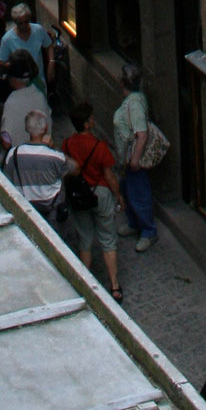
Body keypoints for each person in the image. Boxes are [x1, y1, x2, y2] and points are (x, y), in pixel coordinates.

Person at [62, 99, 123, 301]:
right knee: (108, 239)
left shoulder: (68, 144)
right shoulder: (100, 146)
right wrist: (119, 195)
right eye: (91, 118)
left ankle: (85, 283)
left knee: (85, 239)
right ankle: (114, 285)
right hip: (101, 194)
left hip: (79, 196)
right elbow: (109, 176)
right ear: (87, 123)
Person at [112, 60, 157, 253]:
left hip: (132, 160)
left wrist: (135, 160)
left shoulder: (135, 104)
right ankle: (134, 223)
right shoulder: (132, 100)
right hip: (126, 159)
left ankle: (148, 231)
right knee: (127, 190)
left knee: (138, 194)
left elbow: (142, 133)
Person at [3, 111, 67, 222]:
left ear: (27, 128)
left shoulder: (13, 154)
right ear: (46, 128)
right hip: (52, 208)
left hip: (25, 208)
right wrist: (54, 147)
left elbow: (5, 180)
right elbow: (75, 168)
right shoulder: (55, 156)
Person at [0, 52, 51, 152]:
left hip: (20, 158)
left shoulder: (11, 102)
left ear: (12, 78)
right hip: (42, 152)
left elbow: (7, 143)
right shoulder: (40, 95)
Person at [0, 3, 54, 96]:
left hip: (38, 79)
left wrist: (51, 63)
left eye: (26, 21)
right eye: (20, 23)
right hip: (20, 84)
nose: (24, 25)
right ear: (16, 23)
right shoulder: (7, 39)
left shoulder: (38, 30)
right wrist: (14, 65)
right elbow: (1, 61)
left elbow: (49, 45)